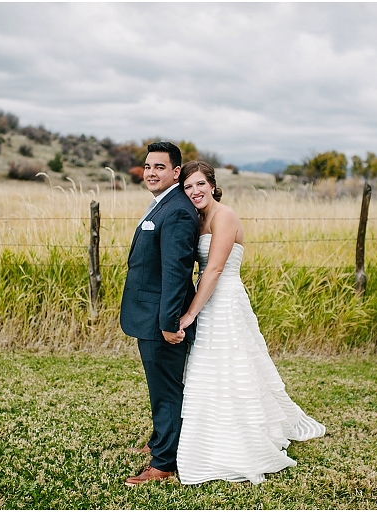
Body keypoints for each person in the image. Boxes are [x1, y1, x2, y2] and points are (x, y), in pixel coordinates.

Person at [176, 160, 325, 485]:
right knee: (210, 367)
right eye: (188, 187)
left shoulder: (224, 215)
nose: (194, 191)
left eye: (200, 184)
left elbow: (213, 270)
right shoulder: (197, 219)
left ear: (213, 185)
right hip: (207, 297)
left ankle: (242, 437)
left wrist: (189, 314)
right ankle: (208, 434)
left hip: (224, 299)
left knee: (233, 365)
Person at [120, 142, 200, 486]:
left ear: (176, 172)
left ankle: (164, 463)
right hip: (149, 314)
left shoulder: (178, 210)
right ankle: (160, 442)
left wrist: (169, 324)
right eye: (148, 166)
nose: (151, 172)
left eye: (160, 167)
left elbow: (177, 271)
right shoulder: (163, 204)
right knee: (159, 388)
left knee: (166, 391)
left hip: (161, 320)